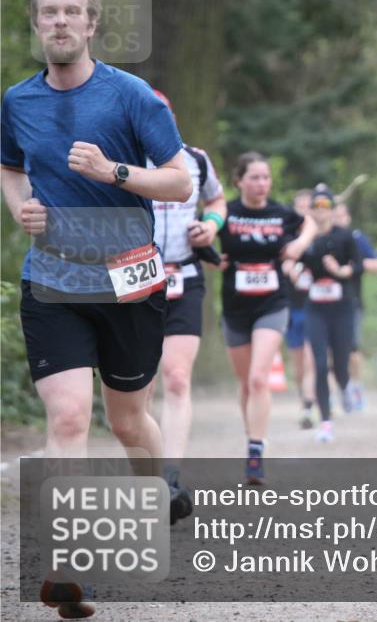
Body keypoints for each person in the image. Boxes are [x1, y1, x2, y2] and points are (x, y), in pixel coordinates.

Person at [1, 0, 191, 619]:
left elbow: (180, 181)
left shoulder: (133, 96)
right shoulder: (16, 101)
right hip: (53, 280)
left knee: (130, 418)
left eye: (70, 11)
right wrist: (21, 206)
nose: (59, 21)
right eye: (48, 11)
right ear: (37, 25)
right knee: (69, 418)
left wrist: (114, 171)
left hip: (130, 280)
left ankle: (163, 485)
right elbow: (9, 163)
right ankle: (62, 565)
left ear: (91, 24)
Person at [146, 89, 227, 524]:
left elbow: (217, 200)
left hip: (184, 276)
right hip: (133, 280)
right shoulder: (123, 163)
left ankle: (170, 478)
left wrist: (210, 226)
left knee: (177, 378)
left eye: (167, 116)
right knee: (142, 386)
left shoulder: (195, 160)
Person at [218, 152, 317, 483]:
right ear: (239, 181)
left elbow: (310, 224)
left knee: (260, 378)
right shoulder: (227, 212)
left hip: (273, 304)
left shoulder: (280, 213)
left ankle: (257, 451)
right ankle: (252, 439)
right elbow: (202, 237)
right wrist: (211, 256)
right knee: (246, 382)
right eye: (255, 178)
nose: (262, 184)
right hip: (235, 307)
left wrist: (300, 245)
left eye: (266, 177)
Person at [300, 187, 363, 442]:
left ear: (332, 210)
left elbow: (358, 266)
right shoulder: (305, 238)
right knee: (318, 363)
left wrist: (341, 271)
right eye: (317, 207)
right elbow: (294, 260)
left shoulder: (345, 236)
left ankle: (346, 386)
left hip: (342, 308)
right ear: (312, 211)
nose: (322, 211)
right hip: (315, 309)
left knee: (340, 363)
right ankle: (325, 422)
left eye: (327, 207)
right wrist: (294, 270)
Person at [332, 199, 377, 411]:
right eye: (335, 215)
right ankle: (332, 395)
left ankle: (355, 387)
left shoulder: (356, 239)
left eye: (342, 215)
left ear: (348, 217)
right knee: (326, 351)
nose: (338, 219)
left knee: (351, 348)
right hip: (323, 304)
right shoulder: (319, 238)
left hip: (352, 301)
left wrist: (351, 265)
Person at [282, 189, 319, 428]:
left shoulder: (323, 235)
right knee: (298, 363)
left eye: (309, 207)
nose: (305, 212)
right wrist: (288, 269)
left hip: (316, 307)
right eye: (301, 208)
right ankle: (304, 400)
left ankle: (309, 406)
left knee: (311, 358)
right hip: (291, 306)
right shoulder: (285, 236)